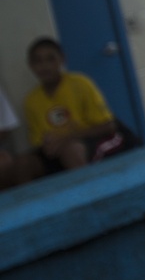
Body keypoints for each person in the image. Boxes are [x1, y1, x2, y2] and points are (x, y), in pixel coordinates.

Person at [19, 38, 131, 180]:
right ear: (31, 65)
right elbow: (38, 141)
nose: (44, 66)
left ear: (62, 60)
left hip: (96, 140)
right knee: (23, 163)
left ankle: (90, 195)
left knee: (71, 150)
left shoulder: (80, 84)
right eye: (38, 61)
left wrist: (67, 137)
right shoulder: (31, 100)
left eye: (50, 59)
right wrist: (47, 145)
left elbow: (109, 126)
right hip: (58, 150)